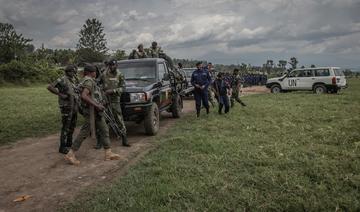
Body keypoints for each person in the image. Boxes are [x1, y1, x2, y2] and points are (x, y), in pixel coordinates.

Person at [64, 64, 121, 165]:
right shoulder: (89, 81)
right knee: (84, 132)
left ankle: (108, 153)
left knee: (104, 129)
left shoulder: (86, 80)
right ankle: (71, 154)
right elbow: (84, 96)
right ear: (91, 72)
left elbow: (92, 94)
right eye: (95, 71)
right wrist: (97, 105)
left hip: (95, 111)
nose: (96, 73)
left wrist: (100, 103)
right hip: (91, 111)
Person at [47, 65, 78, 154]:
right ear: (68, 71)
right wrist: (60, 94)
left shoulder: (74, 79)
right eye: (73, 71)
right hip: (66, 107)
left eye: (74, 71)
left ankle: (69, 143)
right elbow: (50, 87)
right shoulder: (62, 79)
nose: (74, 73)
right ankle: (62, 147)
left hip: (74, 106)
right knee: (66, 127)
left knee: (72, 126)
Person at [99, 59, 130, 147]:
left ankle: (124, 139)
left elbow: (123, 88)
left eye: (114, 65)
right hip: (104, 101)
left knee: (118, 119)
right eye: (111, 65)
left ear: (116, 65)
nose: (113, 67)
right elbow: (98, 83)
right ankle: (100, 142)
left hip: (115, 100)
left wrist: (113, 91)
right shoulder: (104, 74)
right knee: (102, 120)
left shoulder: (120, 74)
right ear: (109, 66)